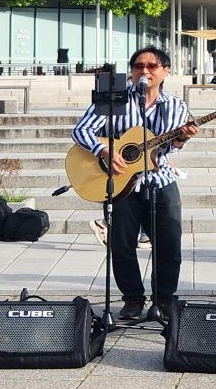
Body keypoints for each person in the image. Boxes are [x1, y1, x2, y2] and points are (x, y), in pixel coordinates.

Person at [71, 46, 198, 322]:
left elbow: (168, 150)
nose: (145, 71)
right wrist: (104, 151)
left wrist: (181, 138)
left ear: (165, 71)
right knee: (121, 244)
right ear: (131, 71)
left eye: (152, 66)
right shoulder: (113, 100)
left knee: (169, 244)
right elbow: (80, 130)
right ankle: (132, 298)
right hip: (120, 183)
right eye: (138, 66)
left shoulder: (176, 106)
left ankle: (163, 300)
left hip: (160, 180)